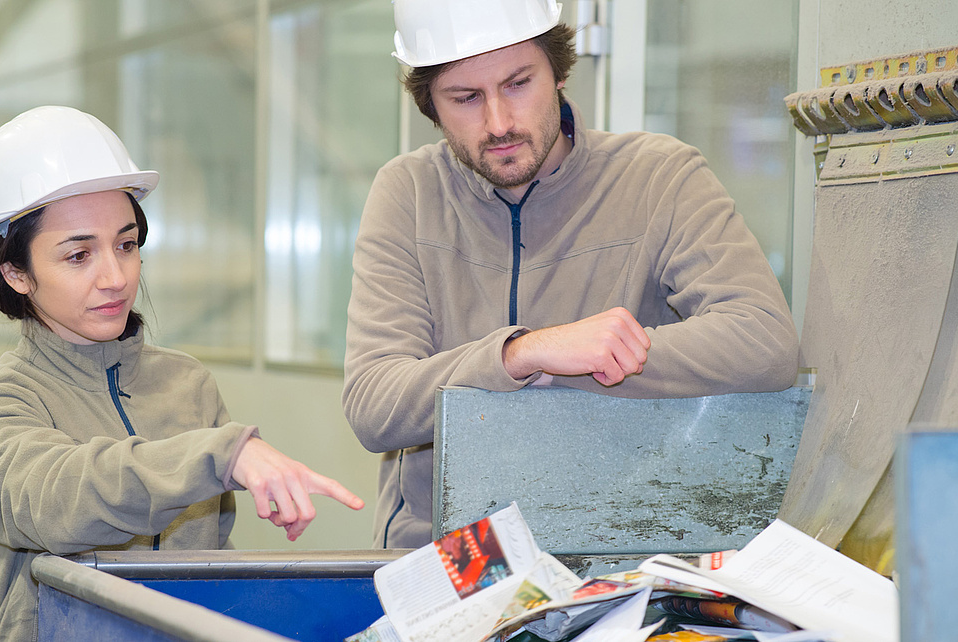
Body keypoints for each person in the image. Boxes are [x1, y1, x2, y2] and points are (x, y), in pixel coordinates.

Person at [342, 0, 799, 549]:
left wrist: (594, 359)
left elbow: (764, 338)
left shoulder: (660, 177)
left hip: (623, 545)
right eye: (465, 98)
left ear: (558, 73)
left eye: (517, 84)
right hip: (444, 553)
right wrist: (521, 355)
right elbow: (374, 402)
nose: (498, 123)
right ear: (431, 107)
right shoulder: (409, 193)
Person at [0, 105, 364, 642]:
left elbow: (213, 565)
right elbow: (59, 500)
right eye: (78, 256)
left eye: (126, 245)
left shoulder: (188, 387)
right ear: (15, 272)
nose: (115, 276)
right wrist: (219, 454)